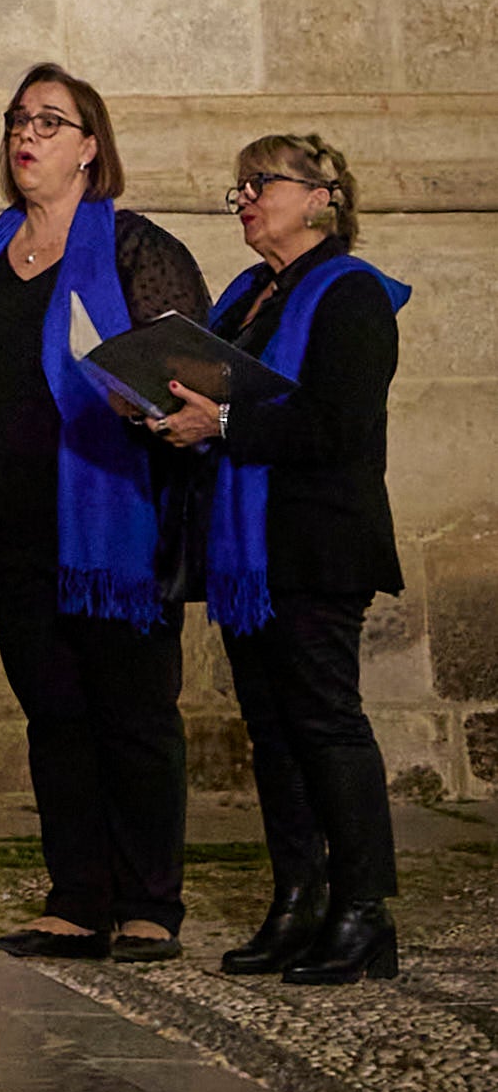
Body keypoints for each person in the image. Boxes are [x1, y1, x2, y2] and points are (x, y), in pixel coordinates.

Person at [0, 63, 207, 965]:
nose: (28, 136)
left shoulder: (133, 247)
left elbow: (198, 384)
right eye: (18, 120)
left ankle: (148, 905)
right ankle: (77, 897)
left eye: (51, 121)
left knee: (130, 712)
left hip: (111, 521)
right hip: (11, 520)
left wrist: (158, 403)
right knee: (51, 712)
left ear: (91, 148)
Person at [152, 133, 408, 987]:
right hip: (249, 550)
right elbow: (212, 391)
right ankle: (296, 899)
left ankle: (362, 912)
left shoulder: (352, 295)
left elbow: (335, 427)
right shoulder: (244, 296)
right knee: (272, 733)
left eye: (259, 183)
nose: (246, 200)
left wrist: (218, 425)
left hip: (314, 541)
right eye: (239, 188)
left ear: (320, 197)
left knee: (326, 726)